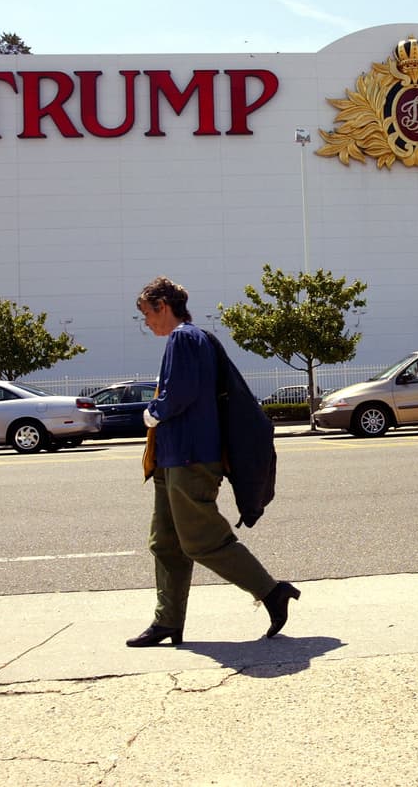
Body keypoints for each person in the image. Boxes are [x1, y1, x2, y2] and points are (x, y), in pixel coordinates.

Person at [125, 276, 299, 647]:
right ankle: (168, 621)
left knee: (202, 541)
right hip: (172, 458)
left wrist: (153, 412)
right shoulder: (188, 339)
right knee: (165, 543)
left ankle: (271, 592)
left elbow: (181, 392)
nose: (146, 323)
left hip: (190, 459)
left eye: (146, 314)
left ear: (162, 306)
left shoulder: (184, 338)